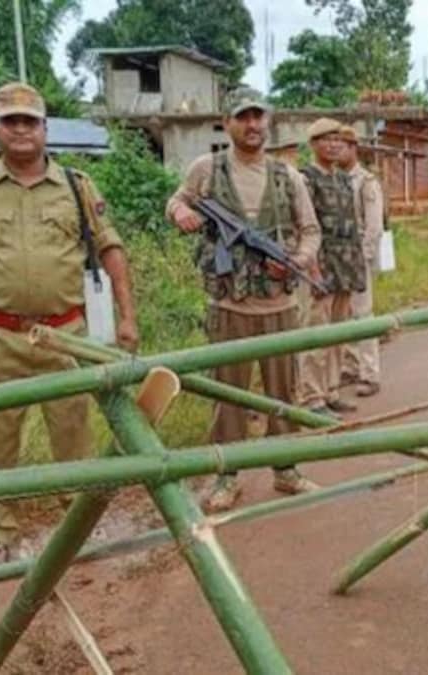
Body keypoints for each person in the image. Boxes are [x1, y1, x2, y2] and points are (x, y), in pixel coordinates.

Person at [0, 83, 138, 561]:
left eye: (30, 121)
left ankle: (77, 526)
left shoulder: (77, 186)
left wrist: (127, 318)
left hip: (65, 335)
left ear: (45, 129)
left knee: (73, 434)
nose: (21, 129)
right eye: (10, 121)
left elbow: (110, 248)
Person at [166, 88, 323, 512]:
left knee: (282, 394)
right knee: (229, 395)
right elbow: (178, 200)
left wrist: (296, 260)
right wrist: (179, 212)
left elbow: (310, 231)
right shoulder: (207, 169)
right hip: (228, 307)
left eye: (259, 117)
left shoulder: (288, 176)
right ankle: (226, 476)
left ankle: (285, 470)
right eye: (244, 117)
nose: (253, 125)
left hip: (278, 306)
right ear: (227, 122)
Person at [298, 118, 368, 415]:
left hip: (345, 265)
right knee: (316, 334)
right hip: (320, 266)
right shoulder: (306, 179)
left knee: (338, 333)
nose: (334, 144)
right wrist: (313, 272)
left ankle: (330, 390)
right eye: (326, 139)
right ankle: (311, 397)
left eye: (338, 139)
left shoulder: (342, 179)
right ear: (313, 144)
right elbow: (304, 228)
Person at [338, 125, 385, 397]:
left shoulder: (366, 181)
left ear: (353, 148)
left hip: (357, 256)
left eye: (341, 145)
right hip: (337, 258)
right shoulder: (334, 178)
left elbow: (374, 226)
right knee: (343, 315)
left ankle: (370, 373)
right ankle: (350, 366)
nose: (336, 150)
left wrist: (364, 258)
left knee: (363, 316)